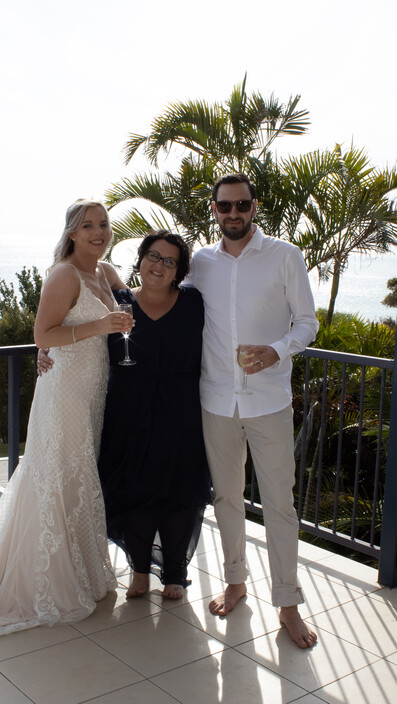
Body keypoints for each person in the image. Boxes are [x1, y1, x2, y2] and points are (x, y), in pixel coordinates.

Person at [0, 199, 131, 656]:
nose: (98, 231)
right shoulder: (63, 274)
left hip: (94, 390)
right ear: (72, 232)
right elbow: (44, 335)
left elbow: (135, 298)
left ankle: (79, 570)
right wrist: (101, 324)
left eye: (103, 224)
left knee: (79, 477)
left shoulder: (105, 272)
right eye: (88, 226)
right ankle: (44, 581)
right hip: (63, 393)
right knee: (55, 475)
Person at [184, 173, 319, 648]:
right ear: (215, 211)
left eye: (242, 205)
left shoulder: (285, 256)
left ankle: (287, 605)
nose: (234, 214)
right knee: (227, 500)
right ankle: (236, 582)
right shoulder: (200, 263)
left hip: (269, 402)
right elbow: (160, 299)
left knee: (281, 505)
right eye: (225, 207)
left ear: (255, 207)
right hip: (215, 399)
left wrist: (277, 350)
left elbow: (307, 322)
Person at [98, 231, 212, 599]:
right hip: (128, 408)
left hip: (181, 409)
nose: (158, 265)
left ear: (180, 270)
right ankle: (140, 570)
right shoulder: (118, 303)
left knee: (179, 488)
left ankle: (175, 573)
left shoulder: (194, 302)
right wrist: (44, 350)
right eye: (152, 256)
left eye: (169, 261)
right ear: (141, 258)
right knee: (134, 488)